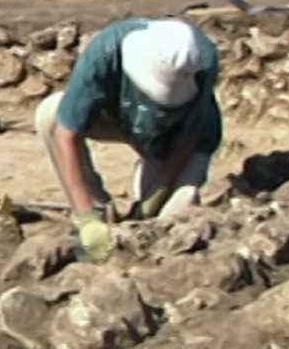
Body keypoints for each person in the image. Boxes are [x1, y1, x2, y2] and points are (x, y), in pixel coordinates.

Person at [35, 17, 223, 263]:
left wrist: (157, 193)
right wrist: (86, 217)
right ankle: (97, 212)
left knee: (177, 208)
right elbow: (65, 135)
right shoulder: (106, 51)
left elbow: (189, 136)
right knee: (49, 115)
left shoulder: (202, 63)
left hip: (171, 137)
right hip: (119, 119)